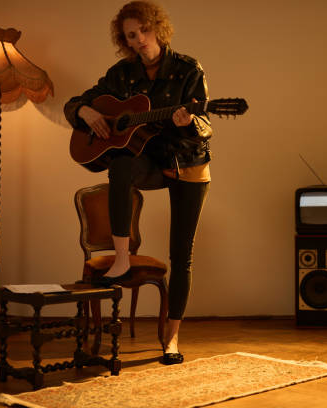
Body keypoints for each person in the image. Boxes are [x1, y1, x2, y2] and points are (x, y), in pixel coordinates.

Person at [64, 0, 212, 365]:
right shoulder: (122, 73)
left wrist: (186, 121)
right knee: (121, 165)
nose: (140, 39)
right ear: (124, 40)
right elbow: (75, 102)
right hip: (149, 159)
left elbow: (206, 125)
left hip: (185, 163)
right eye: (131, 35)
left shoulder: (187, 69)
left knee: (182, 254)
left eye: (144, 30)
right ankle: (122, 258)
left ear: (157, 29)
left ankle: (171, 336)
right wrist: (85, 110)